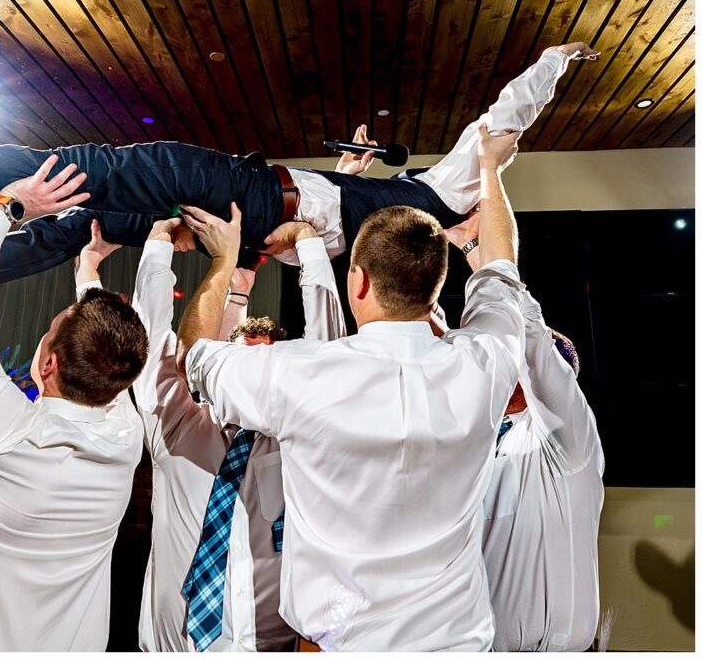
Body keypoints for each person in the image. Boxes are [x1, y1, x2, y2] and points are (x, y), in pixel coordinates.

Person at [0, 43, 598, 311]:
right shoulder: (407, 233)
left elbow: (501, 122)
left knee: (80, 170)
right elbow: (323, 227)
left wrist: (553, 65)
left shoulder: (449, 199)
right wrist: (344, 173)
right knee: (73, 220)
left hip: (245, 195)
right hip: (252, 211)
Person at [173, 125, 527, 650]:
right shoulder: (487, 362)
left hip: (334, 644)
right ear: (434, 292)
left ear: (357, 281)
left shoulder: (300, 374)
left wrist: (225, 261)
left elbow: (194, 356)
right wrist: (490, 170)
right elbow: (500, 269)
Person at [0, 170, 151, 651]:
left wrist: (11, 204)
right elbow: (111, 362)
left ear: (48, 363)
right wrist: (87, 273)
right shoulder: (124, 440)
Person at [106, 214, 343, 652]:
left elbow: (329, 360)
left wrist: (309, 243)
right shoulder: (175, 424)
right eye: (238, 362)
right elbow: (153, 340)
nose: (248, 376)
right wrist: (160, 243)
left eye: (263, 366)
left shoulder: (299, 437)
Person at [444, 215, 606, 651]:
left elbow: (531, 341)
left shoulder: (567, 443)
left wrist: (492, 262)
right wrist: (465, 250)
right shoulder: (482, 441)